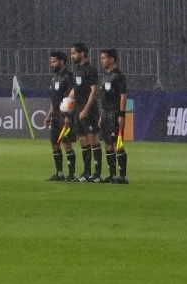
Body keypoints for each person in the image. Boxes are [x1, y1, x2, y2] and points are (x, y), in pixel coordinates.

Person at [67, 41, 103, 183]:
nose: (72, 56)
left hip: (89, 110)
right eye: (71, 54)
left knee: (93, 139)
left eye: (74, 53)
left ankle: (97, 174)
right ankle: (87, 172)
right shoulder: (76, 70)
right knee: (82, 139)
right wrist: (66, 105)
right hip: (77, 110)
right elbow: (75, 90)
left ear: (82, 53)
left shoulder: (91, 69)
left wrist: (86, 109)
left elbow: (94, 91)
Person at [98, 48, 131, 184]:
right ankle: (112, 175)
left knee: (118, 144)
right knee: (107, 144)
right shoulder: (105, 76)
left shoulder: (118, 76)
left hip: (115, 113)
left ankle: (122, 176)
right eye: (101, 58)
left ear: (112, 59)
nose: (102, 61)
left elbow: (123, 97)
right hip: (105, 113)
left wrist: (122, 115)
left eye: (104, 58)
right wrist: (101, 115)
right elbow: (104, 99)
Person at [44, 50, 75, 181]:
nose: (51, 64)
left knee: (66, 143)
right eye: (50, 62)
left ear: (62, 61)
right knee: (54, 143)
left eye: (54, 61)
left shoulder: (68, 77)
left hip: (64, 116)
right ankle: (59, 173)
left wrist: (67, 115)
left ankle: (71, 175)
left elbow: (71, 98)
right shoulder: (54, 78)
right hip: (56, 116)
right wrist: (48, 115)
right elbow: (54, 101)